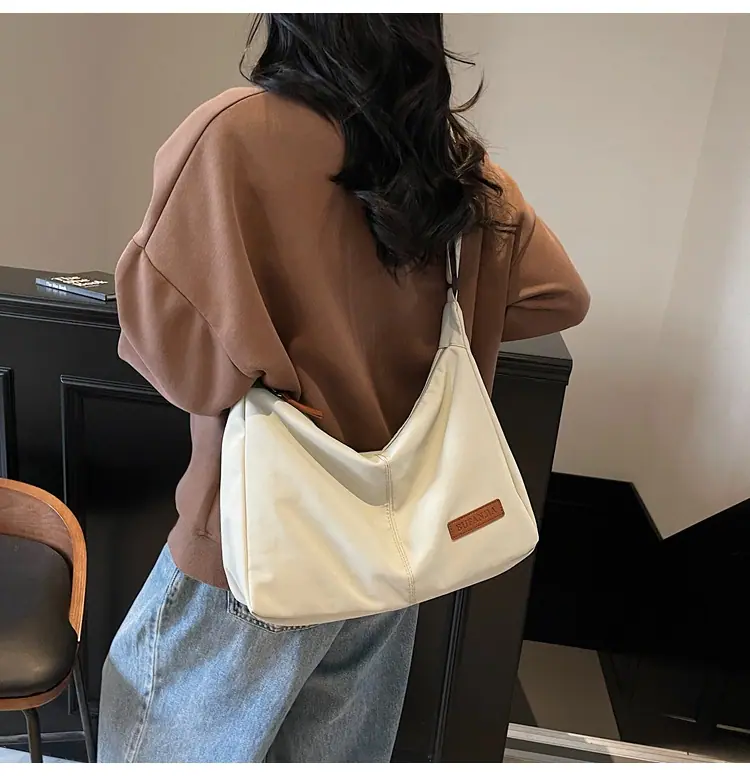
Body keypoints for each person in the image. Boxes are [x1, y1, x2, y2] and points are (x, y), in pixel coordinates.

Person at [97, 13, 590, 763]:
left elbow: (183, 365)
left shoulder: (235, 133)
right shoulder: (454, 165)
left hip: (255, 548)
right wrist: (453, 315)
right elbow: (561, 297)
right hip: (389, 557)